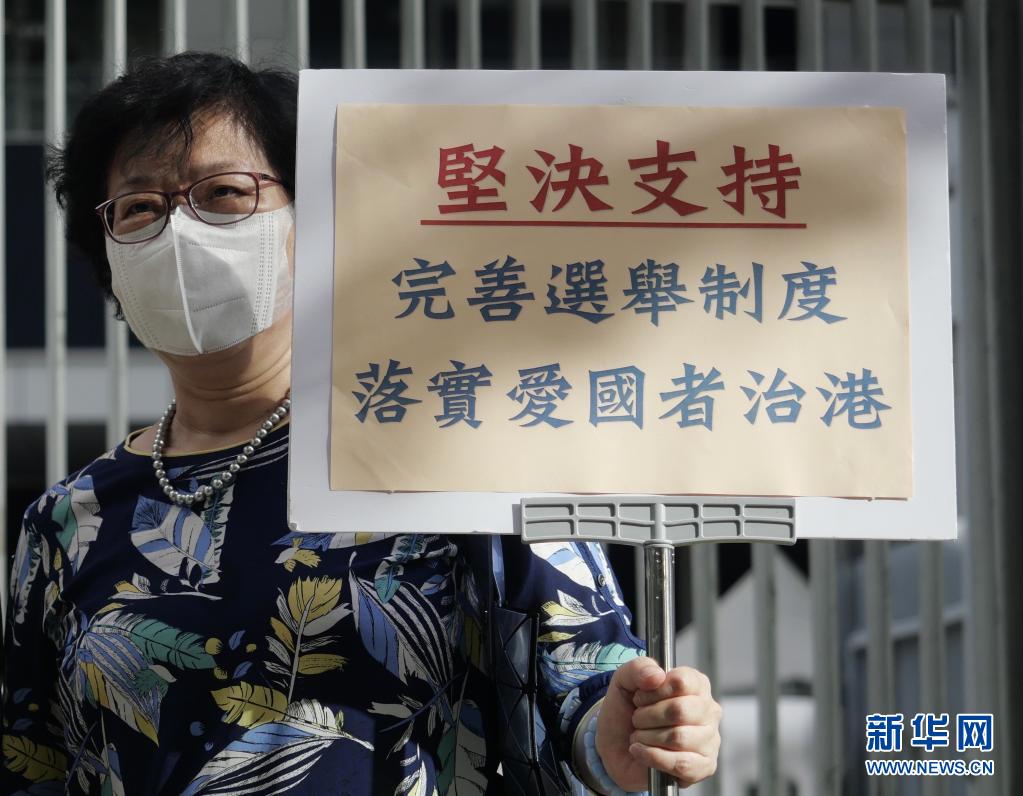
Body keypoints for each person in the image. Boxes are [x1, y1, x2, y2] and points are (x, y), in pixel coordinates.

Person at [2, 52, 721, 795]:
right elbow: (33, 764)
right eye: (140, 208)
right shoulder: (67, 522)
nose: (180, 231)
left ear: (314, 218)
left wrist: (630, 735)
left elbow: (586, 689)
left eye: (224, 193)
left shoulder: (453, 456)